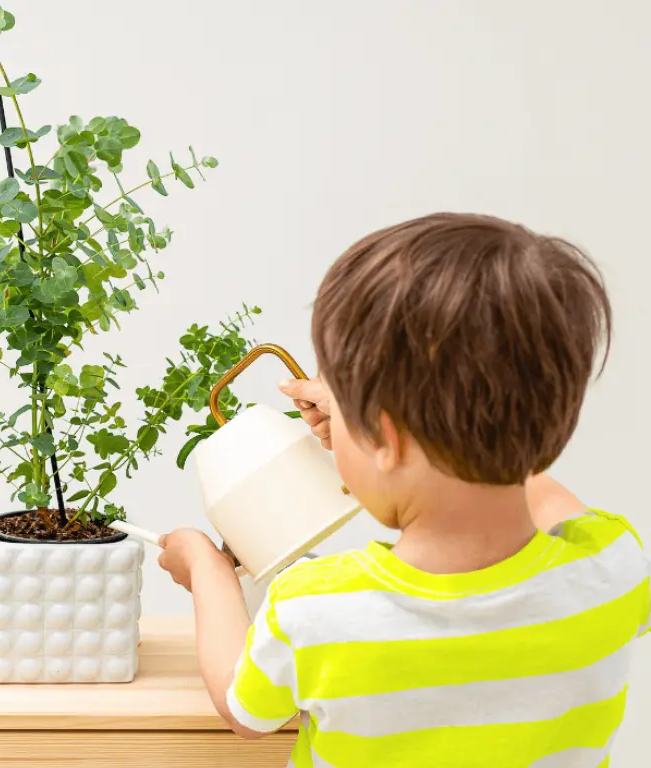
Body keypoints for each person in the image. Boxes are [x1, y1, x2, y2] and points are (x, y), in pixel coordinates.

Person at [157, 213, 649, 767]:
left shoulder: (318, 607)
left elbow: (241, 706)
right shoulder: (611, 564)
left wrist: (205, 567)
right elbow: (535, 482)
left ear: (386, 437)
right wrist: (376, 423)